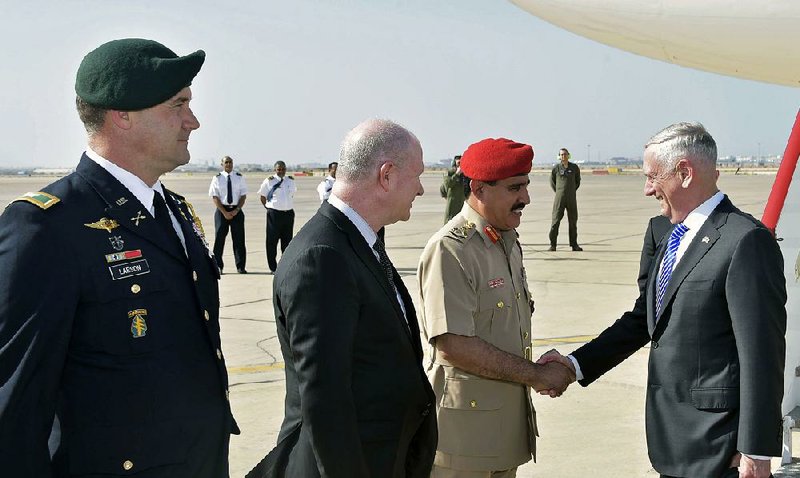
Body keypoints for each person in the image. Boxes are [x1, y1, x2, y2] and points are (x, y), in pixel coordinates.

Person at [0, 38, 238, 477]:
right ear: (122, 114)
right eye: (179, 104)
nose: (194, 121)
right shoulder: (45, 228)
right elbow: (15, 410)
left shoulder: (175, 212)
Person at [540, 122, 786, 478]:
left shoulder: (745, 240)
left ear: (684, 172)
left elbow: (762, 353)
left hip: (720, 446)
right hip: (670, 437)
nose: (646, 189)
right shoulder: (663, 232)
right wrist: (575, 364)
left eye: (653, 177)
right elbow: (645, 318)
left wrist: (756, 449)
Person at [249, 119, 437, 478]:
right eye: (417, 176)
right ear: (387, 175)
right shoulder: (323, 256)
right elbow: (324, 400)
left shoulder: (358, 242)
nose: (421, 189)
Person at [417, 137, 575, 478]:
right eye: (514, 188)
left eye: (526, 186)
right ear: (479, 189)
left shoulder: (506, 241)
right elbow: (454, 346)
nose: (526, 199)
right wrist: (536, 374)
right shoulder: (451, 250)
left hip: (505, 433)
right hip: (463, 443)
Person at [209, 155, 248, 273]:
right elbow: (214, 196)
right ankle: (218, 266)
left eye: (230, 162)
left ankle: (240, 267)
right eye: (226, 162)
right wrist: (224, 212)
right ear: (222, 164)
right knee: (219, 240)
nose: (229, 164)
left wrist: (236, 210)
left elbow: (243, 195)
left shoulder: (239, 177)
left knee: (239, 240)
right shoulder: (217, 178)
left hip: (237, 210)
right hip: (222, 211)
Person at [258, 161, 296, 273]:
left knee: (287, 241)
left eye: (283, 169)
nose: (281, 171)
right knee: (272, 241)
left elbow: (292, 194)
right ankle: (273, 267)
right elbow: (262, 197)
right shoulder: (269, 181)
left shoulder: (290, 181)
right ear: (275, 170)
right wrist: (269, 208)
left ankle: (285, 266)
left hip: (288, 214)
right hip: (274, 215)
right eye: (279, 169)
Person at [548, 147, 582, 251]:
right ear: (559, 156)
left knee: (573, 221)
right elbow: (552, 182)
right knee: (555, 221)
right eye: (562, 155)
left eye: (565, 154)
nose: (564, 156)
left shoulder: (574, 167)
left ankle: (574, 244)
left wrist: (570, 191)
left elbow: (577, 182)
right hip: (559, 199)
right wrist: (559, 191)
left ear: (569, 155)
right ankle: (553, 245)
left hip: (571, 198)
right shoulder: (556, 168)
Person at [439, 155, 466, 223]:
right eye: (459, 163)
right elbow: (447, 184)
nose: (460, 166)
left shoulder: (465, 175)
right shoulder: (450, 173)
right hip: (452, 205)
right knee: (449, 223)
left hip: (463, 205)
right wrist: (457, 174)